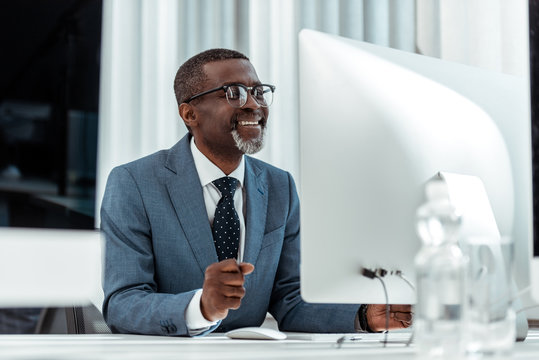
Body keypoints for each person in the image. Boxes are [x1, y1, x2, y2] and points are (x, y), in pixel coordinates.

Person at [101, 48, 412, 336]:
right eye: (233, 93)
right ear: (189, 114)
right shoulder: (134, 183)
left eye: (259, 91)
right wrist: (200, 308)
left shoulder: (280, 187)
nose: (253, 104)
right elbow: (123, 302)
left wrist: (363, 316)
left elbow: (290, 299)